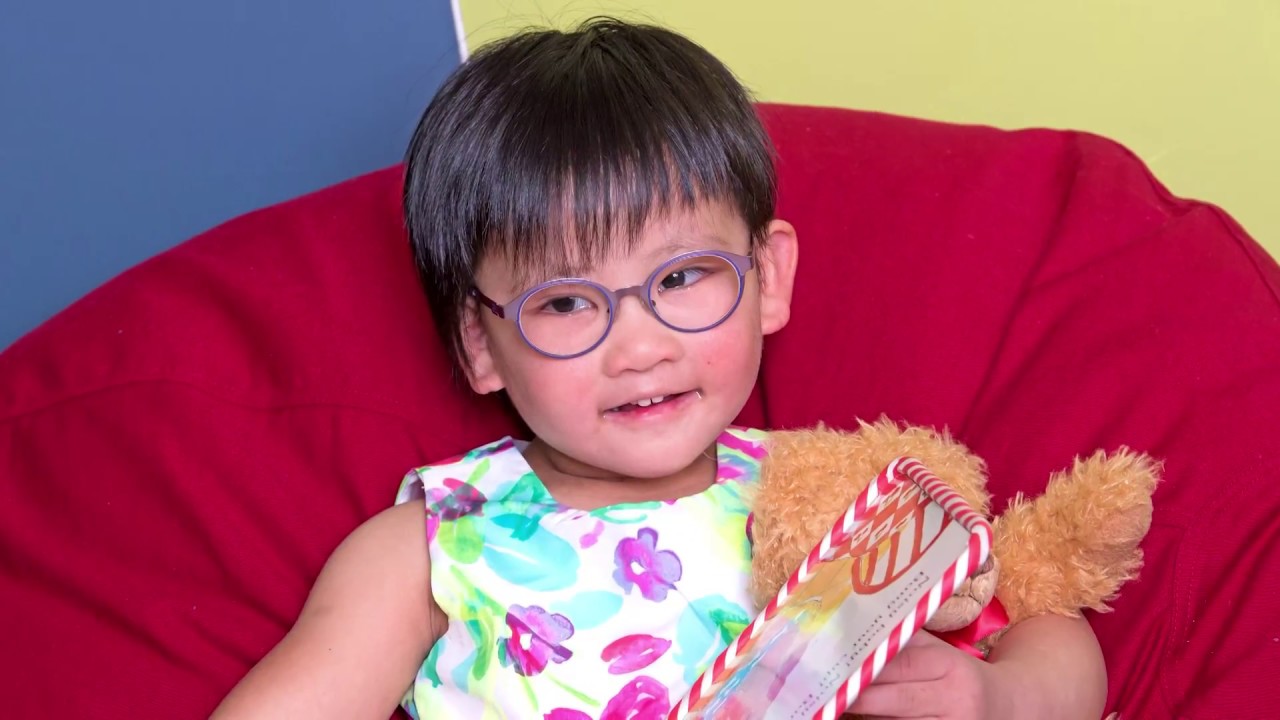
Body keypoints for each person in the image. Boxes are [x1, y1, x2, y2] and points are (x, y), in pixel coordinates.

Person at [212, 17, 1106, 720]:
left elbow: (1047, 625)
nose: (639, 347)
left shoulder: (823, 490)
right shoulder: (434, 545)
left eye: (680, 279)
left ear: (769, 279)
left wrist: (1005, 700)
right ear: (481, 343)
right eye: (565, 302)